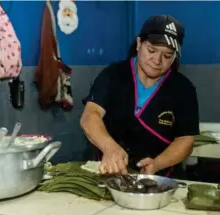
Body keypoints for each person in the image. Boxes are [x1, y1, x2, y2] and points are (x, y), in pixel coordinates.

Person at [80, 14, 200, 177]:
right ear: (138, 44)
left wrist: (157, 164)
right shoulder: (113, 75)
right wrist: (110, 147)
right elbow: (90, 116)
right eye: (151, 50)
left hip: (161, 177)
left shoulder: (183, 89)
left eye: (167, 55)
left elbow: (185, 140)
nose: (157, 61)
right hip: (110, 173)